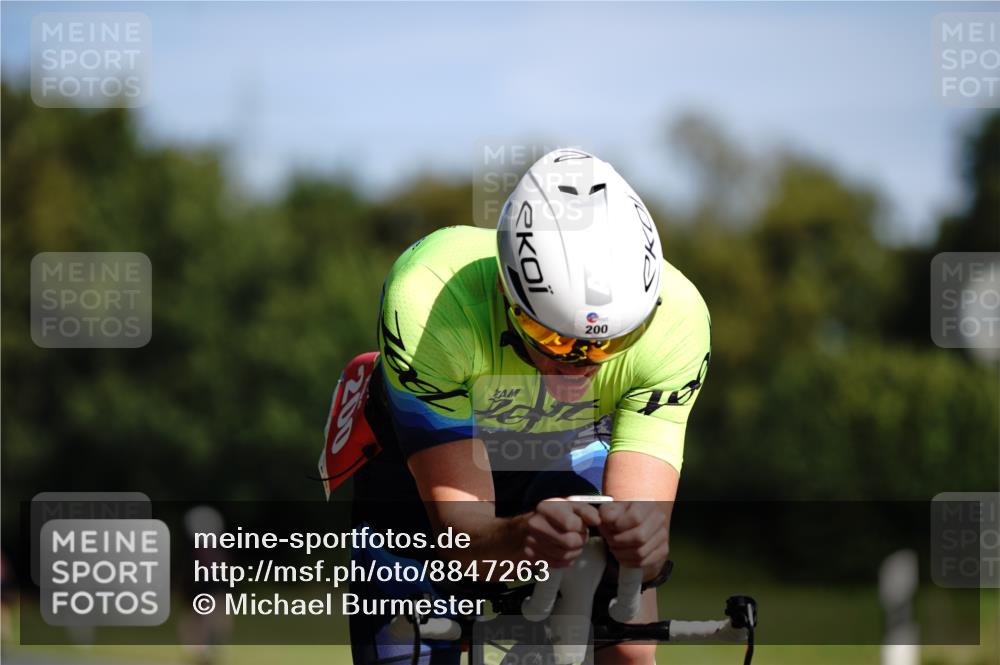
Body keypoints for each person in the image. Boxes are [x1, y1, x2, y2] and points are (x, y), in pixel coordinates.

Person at [347, 149, 711, 665]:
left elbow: (640, 555)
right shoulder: (429, 299)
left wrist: (644, 551)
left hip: (572, 443)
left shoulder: (678, 321)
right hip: (428, 462)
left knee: (626, 646)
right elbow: (462, 540)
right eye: (553, 337)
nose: (582, 364)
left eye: (613, 342)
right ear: (506, 290)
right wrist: (519, 536)